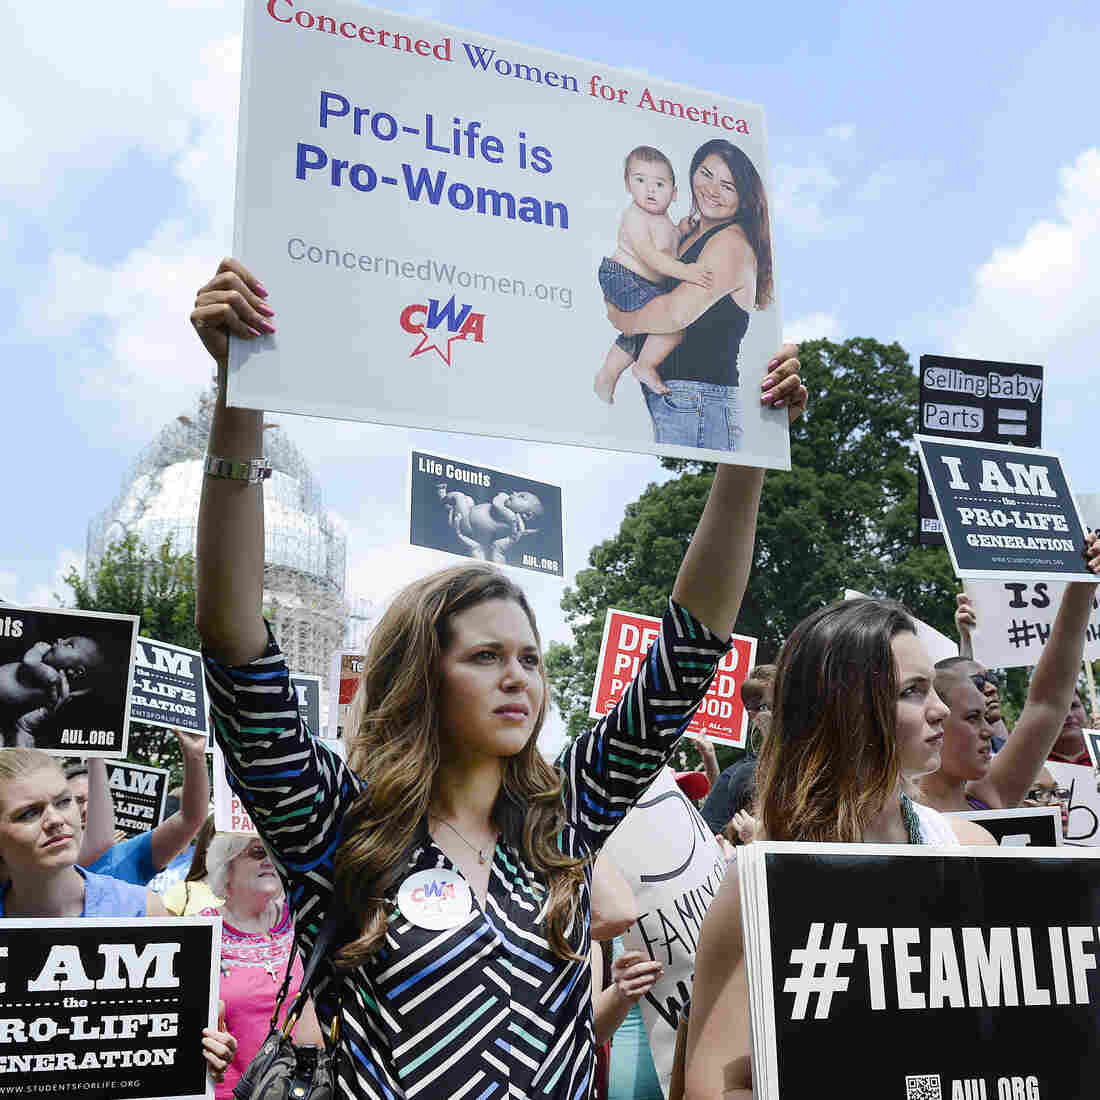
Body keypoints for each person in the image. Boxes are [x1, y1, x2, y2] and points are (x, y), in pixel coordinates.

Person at [190, 256, 806, 1100]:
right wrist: (239, 402)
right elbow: (235, 649)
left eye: (529, 658)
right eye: (484, 657)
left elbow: (688, 651)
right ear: (420, 678)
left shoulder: (565, 820)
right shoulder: (339, 829)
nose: (518, 678)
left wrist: (745, 456)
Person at [683, 597, 995, 1100]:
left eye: (933, 687)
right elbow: (714, 1082)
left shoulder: (972, 850)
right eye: (913, 692)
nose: (940, 709)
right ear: (846, 711)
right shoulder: (764, 881)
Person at [0, 747, 236, 1084]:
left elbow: (184, 1041)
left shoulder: (144, 911)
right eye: (28, 813)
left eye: (63, 802)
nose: (55, 819)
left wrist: (207, 1052)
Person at [605, 139, 775, 451]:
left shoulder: (731, 245)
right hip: (683, 399)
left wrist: (619, 317)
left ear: (745, 199)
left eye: (728, 186)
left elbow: (672, 313)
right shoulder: (688, 234)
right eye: (706, 174)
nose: (712, 189)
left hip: (700, 400)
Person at [918, 556, 1099, 814]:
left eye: (984, 717)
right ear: (932, 720)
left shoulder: (988, 799)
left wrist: (1083, 583)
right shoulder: (887, 810)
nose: (989, 732)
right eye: (972, 717)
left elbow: (1047, 703)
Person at [200, 832, 324, 1100]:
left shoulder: (305, 920)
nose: (269, 861)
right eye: (258, 852)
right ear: (226, 865)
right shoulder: (200, 932)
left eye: (274, 853)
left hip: (304, 1091)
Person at [593, 145, 713, 403]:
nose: (649, 190)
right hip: (622, 276)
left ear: (674, 193)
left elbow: (669, 242)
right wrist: (686, 272)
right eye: (640, 180)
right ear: (627, 185)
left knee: (641, 331)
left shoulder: (665, 222)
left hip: (644, 284)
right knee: (672, 324)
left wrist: (682, 230)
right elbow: (651, 256)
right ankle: (644, 367)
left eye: (659, 184)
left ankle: (607, 374)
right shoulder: (634, 217)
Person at [74, 729, 211, 885]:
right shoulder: (43, 865)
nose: (86, 809)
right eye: (75, 800)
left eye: (95, 801)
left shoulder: (128, 855)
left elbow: (189, 819)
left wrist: (195, 755)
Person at [698, 665, 774, 836]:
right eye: (769, 707)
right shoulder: (743, 771)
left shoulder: (811, 761)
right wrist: (709, 758)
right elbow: (713, 833)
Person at [437, 483, 545, 563]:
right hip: (469, 512)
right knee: (468, 500)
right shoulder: (512, 516)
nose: (514, 493)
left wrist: (504, 497)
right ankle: (448, 506)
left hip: (467, 526)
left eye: (521, 497)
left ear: (527, 515)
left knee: (458, 496)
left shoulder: (511, 517)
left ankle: (442, 498)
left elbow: (496, 501)